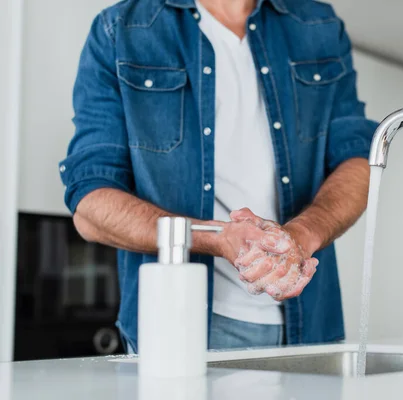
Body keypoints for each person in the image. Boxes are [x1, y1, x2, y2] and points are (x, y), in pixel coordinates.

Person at [59, 0, 377, 352]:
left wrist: (303, 234)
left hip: (313, 327)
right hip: (178, 334)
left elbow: (358, 160)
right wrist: (218, 238)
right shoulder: (119, 29)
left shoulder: (318, 24)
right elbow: (91, 206)